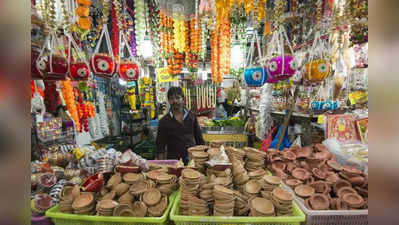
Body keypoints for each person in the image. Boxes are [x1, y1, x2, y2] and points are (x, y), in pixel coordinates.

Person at [155, 87, 205, 162]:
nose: (175, 101)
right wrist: (161, 165)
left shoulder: (191, 116)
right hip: (174, 161)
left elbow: (199, 139)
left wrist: (202, 157)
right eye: (171, 98)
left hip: (192, 159)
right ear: (168, 100)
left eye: (178, 98)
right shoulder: (164, 121)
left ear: (183, 99)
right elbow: (160, 146)